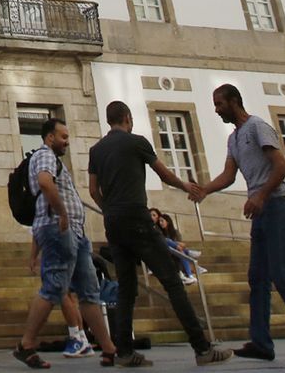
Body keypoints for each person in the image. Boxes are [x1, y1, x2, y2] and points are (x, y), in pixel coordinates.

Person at [190, 84, 285, 362]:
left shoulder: (258, 127)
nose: (216, 109)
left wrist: (260, 195)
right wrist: (205, 189)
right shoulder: (234, 139)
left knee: (283, 276)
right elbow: (229, 175)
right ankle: (261, 342)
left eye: (220, 103)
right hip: (261, 212)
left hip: (278, 206)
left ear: (234, 101)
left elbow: (282, 166)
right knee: (257, 278)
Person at [88, 101, 230, 367]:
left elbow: (94, 190)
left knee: (126, 289)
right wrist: (185, 184)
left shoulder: (96, 150)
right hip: (137, 217)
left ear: (109, 121)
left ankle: (125, 352)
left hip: (114, 222)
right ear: (127, 118)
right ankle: (202, 348)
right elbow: (162, 173)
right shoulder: (136, 142)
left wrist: (109, 210)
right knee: (172, 281)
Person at [13, 118, 117, 369]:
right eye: (63, 137)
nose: (67, 142)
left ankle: (109, 348)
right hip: (59, 229)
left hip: (74, 232)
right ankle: (26, 345)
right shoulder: (44, 155)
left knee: (89, 290)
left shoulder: (55, 159)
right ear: (50, 137)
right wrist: (62, 213)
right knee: (53, 287)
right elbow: (45, 183)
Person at [155, 212, 203, 284]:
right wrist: (175, 244)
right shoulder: (160, 233)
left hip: (176, 252)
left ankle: (190, 276)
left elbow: (183, 245)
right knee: (167, 241)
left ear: (167, 221)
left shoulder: (175, 232)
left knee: (180, 251)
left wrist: (175, 244)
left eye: (162, 221)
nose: (160, 223)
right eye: (159, 221)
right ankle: (189, 253)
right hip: (167, 253)